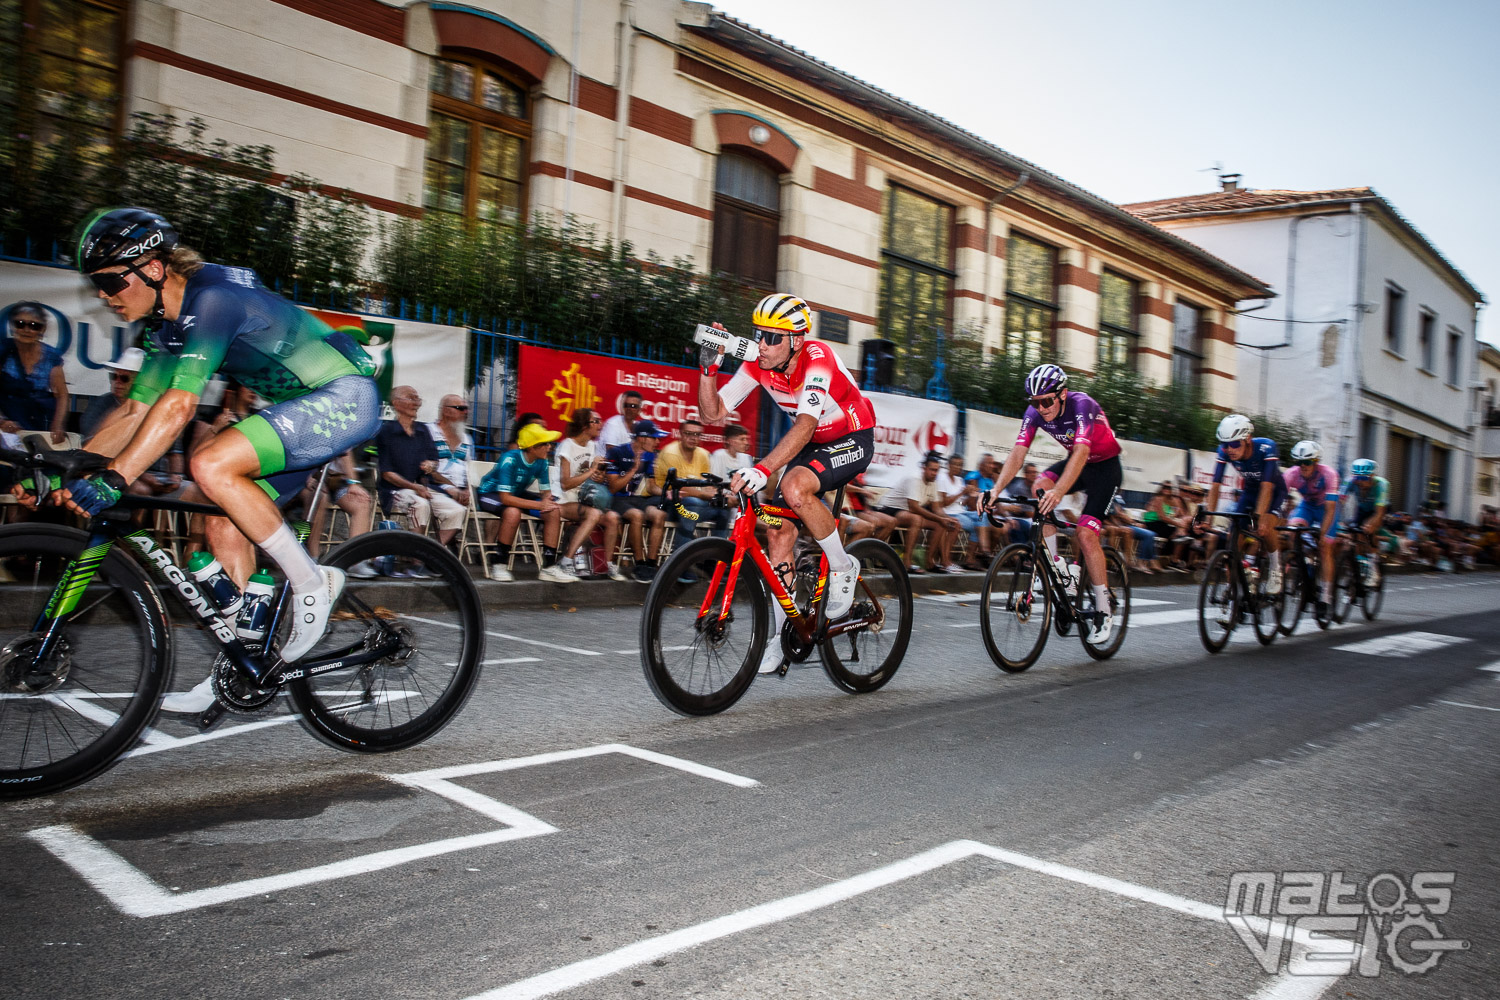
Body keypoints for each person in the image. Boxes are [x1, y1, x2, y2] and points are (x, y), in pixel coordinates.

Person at [33, 207, 382, 713]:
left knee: (211, 463)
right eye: (97, 286)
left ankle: (313, 582)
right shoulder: (165, 331)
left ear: (153, 268)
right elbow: (135, 410)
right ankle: (242, 662)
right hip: (300, 409)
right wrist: (71, 466)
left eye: (111, 281)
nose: (105, 296)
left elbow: (179, 406)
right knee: (222, 525)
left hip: (344, 396)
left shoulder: (213, 300)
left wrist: (115, 476)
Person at [697, 293, 876, 674]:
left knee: (794, 489)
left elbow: (806, 424)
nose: (761, 344)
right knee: (778, 535)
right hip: (811, 443)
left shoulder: (817, 359)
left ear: (796, 340)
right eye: (758, 334)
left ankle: (844, 567)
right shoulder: (758, 362)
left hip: (851, 435)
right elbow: (712, 414)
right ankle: (781, 636)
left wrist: (762, 469)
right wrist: (708, 371)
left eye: (772, 337)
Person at [982, 363, 1123, 645]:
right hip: (1078, 465)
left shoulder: (1082, 405)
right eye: (1035, 402)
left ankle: (1103, 608)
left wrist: (1059, 491)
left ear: (1062, 394)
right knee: (1039, 487)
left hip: (1105, 469)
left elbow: (1082, 451)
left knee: (1085, 533)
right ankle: (1058, 567)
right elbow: (1018, 453)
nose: (1041, 407)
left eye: (1046, 400)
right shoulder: (1034, 412)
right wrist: (995, 489)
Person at [478, 421, 573, 583]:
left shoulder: (541, 461)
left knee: (553, 511)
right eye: (545, 444)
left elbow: (545, 491)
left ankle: (549, 567)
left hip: (516, 493)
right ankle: (499, 564)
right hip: (490, 494)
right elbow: (506, 498)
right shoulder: (510, 459)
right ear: (532, 448)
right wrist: (539, 505)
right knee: (512, 512)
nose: (549, 447)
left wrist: (548, 500)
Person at [376, 386, 467, 550]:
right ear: (397, 404)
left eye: (417, 398)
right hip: (395, 489)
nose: (416, 402)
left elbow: (434, 461)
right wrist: (413, 486)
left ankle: (430, 554)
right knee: (421, 504)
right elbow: (387, 474)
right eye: (411, 398)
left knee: (457, 510)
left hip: (423, 487)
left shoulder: (423, 430)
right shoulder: (387, 431)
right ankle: (415, 560)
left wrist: (431, 465)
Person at [1205, 413, 1287, 595]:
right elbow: (1215, 485)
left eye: (1235, 444)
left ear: (1248, 439)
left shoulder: (1267, 448)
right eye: (1225, 445)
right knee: (1233, 539)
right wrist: (1208, 515)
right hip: (1250, 492)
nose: (1230, 449)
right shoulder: (1224, 451)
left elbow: (1267, 488)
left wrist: (1259, 518)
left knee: (1265, 528)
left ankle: (1275, 569)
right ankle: (1232, 588)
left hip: (1274, 492)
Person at [554, 407, 624, 580]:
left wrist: (599, 476)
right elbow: (566, 484)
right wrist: (591, 470)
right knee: (593, 514)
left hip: (584, 500)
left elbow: (590, 477)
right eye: (596, 421)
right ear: (585, 426)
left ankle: (607, 565)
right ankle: (566, 561)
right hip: (563, 501)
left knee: (613, 518)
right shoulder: (567, 446)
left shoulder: (592, 446)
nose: (600, 424)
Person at [604, 418, 670, 581]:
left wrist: (667, 493)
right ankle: (639, 563)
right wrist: (633, 469)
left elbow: (651, 486)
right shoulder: (617, 452)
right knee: (637, 515)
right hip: (614, 500)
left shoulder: (649, 455)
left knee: (659, 515)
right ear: (641, 438)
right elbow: (613, 488)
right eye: (654, 438)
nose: (657, 442)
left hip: (635, 499)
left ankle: (651, 564)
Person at [1283, 440, 1341, 617]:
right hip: (1307, 506)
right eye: (1299, 462)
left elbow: (1331, 509)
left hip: (1326, 509)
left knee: (1324, 547)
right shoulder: (1291, 474)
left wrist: (1322, 534)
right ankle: (1302, 562)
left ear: (1316, 462)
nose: (1303, 466)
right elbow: (1280, 501)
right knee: (1292, 530)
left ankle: (1325, 596)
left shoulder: (1329, 474)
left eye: (1307, 462)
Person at [0, 302, 69, 443]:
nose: (27, 330)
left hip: (36, 423)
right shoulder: (3, 350)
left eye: (34, 326)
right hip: (5, 425)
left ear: (42, 329)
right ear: (13, 326)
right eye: (20, 324)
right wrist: (1, 421)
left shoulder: (51, 357)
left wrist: (57, 425)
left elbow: (62, 395)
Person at [656, 419, 732, 544]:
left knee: (723, 508)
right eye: (688, 434)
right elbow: (680, 489)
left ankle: (715, 558)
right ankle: (681, 557)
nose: (693, 438)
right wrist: (708, 496)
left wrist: (720, 498)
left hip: (695, 505)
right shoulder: (670, 453)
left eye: (697, 435)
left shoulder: (703, 454)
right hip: (667, 502)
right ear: (680, 434)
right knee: (692, 502)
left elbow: (708, 486)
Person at [1340, 458, 1390, 586]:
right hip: (1361, 510)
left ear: (1373, 476)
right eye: (1358, 478)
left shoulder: (1381, 485)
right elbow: (1338, 503)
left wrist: (1370, 525)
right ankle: (1357, 564)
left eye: (1365, 478)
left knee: (1368, 529)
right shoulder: (1349, 481)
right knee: (1351, 535)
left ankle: (1373, 568)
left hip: (1376, 510)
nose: (1361, 482)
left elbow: (1379, 513)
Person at [80, 347, 145, 439]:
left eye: (124, 378)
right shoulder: (103, 403)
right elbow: (89, 429)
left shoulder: (151, 406)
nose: (117, 382)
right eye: (114, 376)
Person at [429, 394, 476, 517]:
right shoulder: (429, 432)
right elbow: (425, 467)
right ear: (445, 410)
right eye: (460, 408)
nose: (465, 412)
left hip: (460, 490)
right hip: (434, 486)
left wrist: (467, 490)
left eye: (466, 408)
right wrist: (450, 487)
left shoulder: (467, 439)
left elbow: (471, 469)